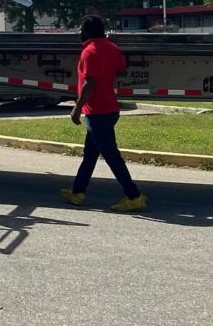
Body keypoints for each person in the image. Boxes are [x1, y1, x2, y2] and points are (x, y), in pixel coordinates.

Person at [60, 16, 147, 212]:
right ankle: (77, 192)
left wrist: (77, 108)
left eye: (81, 29)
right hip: (110, 109)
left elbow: (90, 83)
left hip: (97, 111)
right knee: (90, 155)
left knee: (111, 156)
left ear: (87, 31)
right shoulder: (112, 48)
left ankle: (134, 196)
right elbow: (120, 70)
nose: (79, 32)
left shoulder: (88, 52)